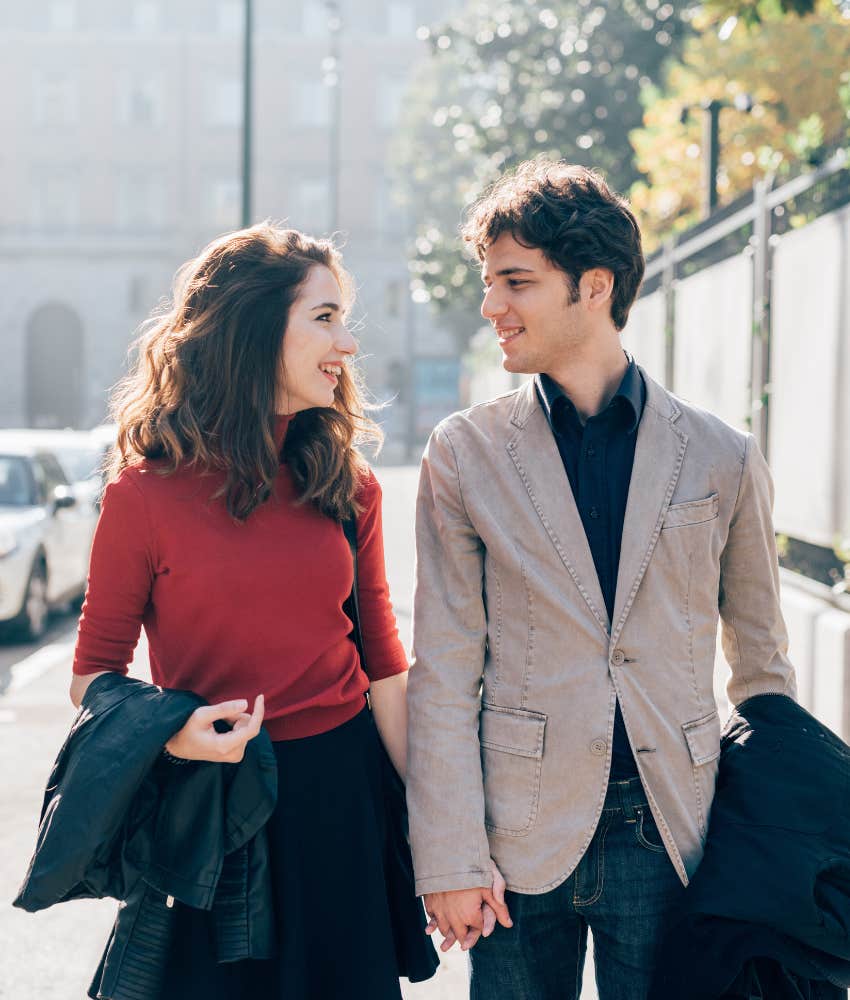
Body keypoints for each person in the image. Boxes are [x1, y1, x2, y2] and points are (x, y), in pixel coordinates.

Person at [406, 159, 797, 1000]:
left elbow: (764, 674)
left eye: (516, 281)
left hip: (673, 834)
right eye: (488, 282)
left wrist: (772, 848)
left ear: (594, 286)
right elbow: (443, 669)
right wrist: (450, 855)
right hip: (516, 840)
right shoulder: (465, 455)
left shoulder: (723, 456)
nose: (491, 305)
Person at [69, 223, 434, 999]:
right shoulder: (143, 495)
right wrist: (177, 733)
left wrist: (441, 830)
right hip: (213, 812)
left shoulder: (348, 485)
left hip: (341, 803)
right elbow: (93, 675)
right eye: (326, 317)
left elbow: (383, 669)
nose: (348, 344)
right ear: (256, 325)